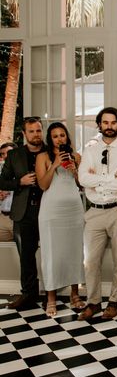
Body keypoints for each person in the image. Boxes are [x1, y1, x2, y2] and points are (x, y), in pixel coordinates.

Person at [77, 107, 117, 321]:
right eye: (105, 122)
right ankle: (93, 302)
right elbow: (83, 178)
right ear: (99, 124)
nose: (109, 126)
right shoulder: (90, 150)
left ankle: (114, 301)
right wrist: (111, 179)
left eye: (113, 122)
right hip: (94, 212)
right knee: (90, 260)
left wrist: (99, 182)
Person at [36, 123, 86, 317]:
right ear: (51, 139)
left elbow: (81, 185)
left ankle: (75, 294)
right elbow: (43, 185)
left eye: (62, 135)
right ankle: (51, 298)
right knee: (51, 253)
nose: (59, 139)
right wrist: (55, 164)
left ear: (67, 137)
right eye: (55, 136)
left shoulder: (77, 157)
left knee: (74, 251)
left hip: (73, 210)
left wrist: (74, 170)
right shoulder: (43, 157)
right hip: (51, 211)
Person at [0, 117, 46, 310]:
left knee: (52, 253)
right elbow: (2, 182)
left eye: (38, 130)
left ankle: (51, 293)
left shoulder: (50, 151)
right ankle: (28, 294)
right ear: (24, 134)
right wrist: (20, 182)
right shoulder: (15, 155)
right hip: (23, 212)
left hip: (49, 211)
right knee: (26, 256)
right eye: (32, 131)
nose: (36, 134)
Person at [0, 142, 18, 242]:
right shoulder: (1, 173)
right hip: (3, 217)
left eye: (8, 152)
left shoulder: (24, 171)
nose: (5, 156)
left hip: (18, 219)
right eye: (2, 154)